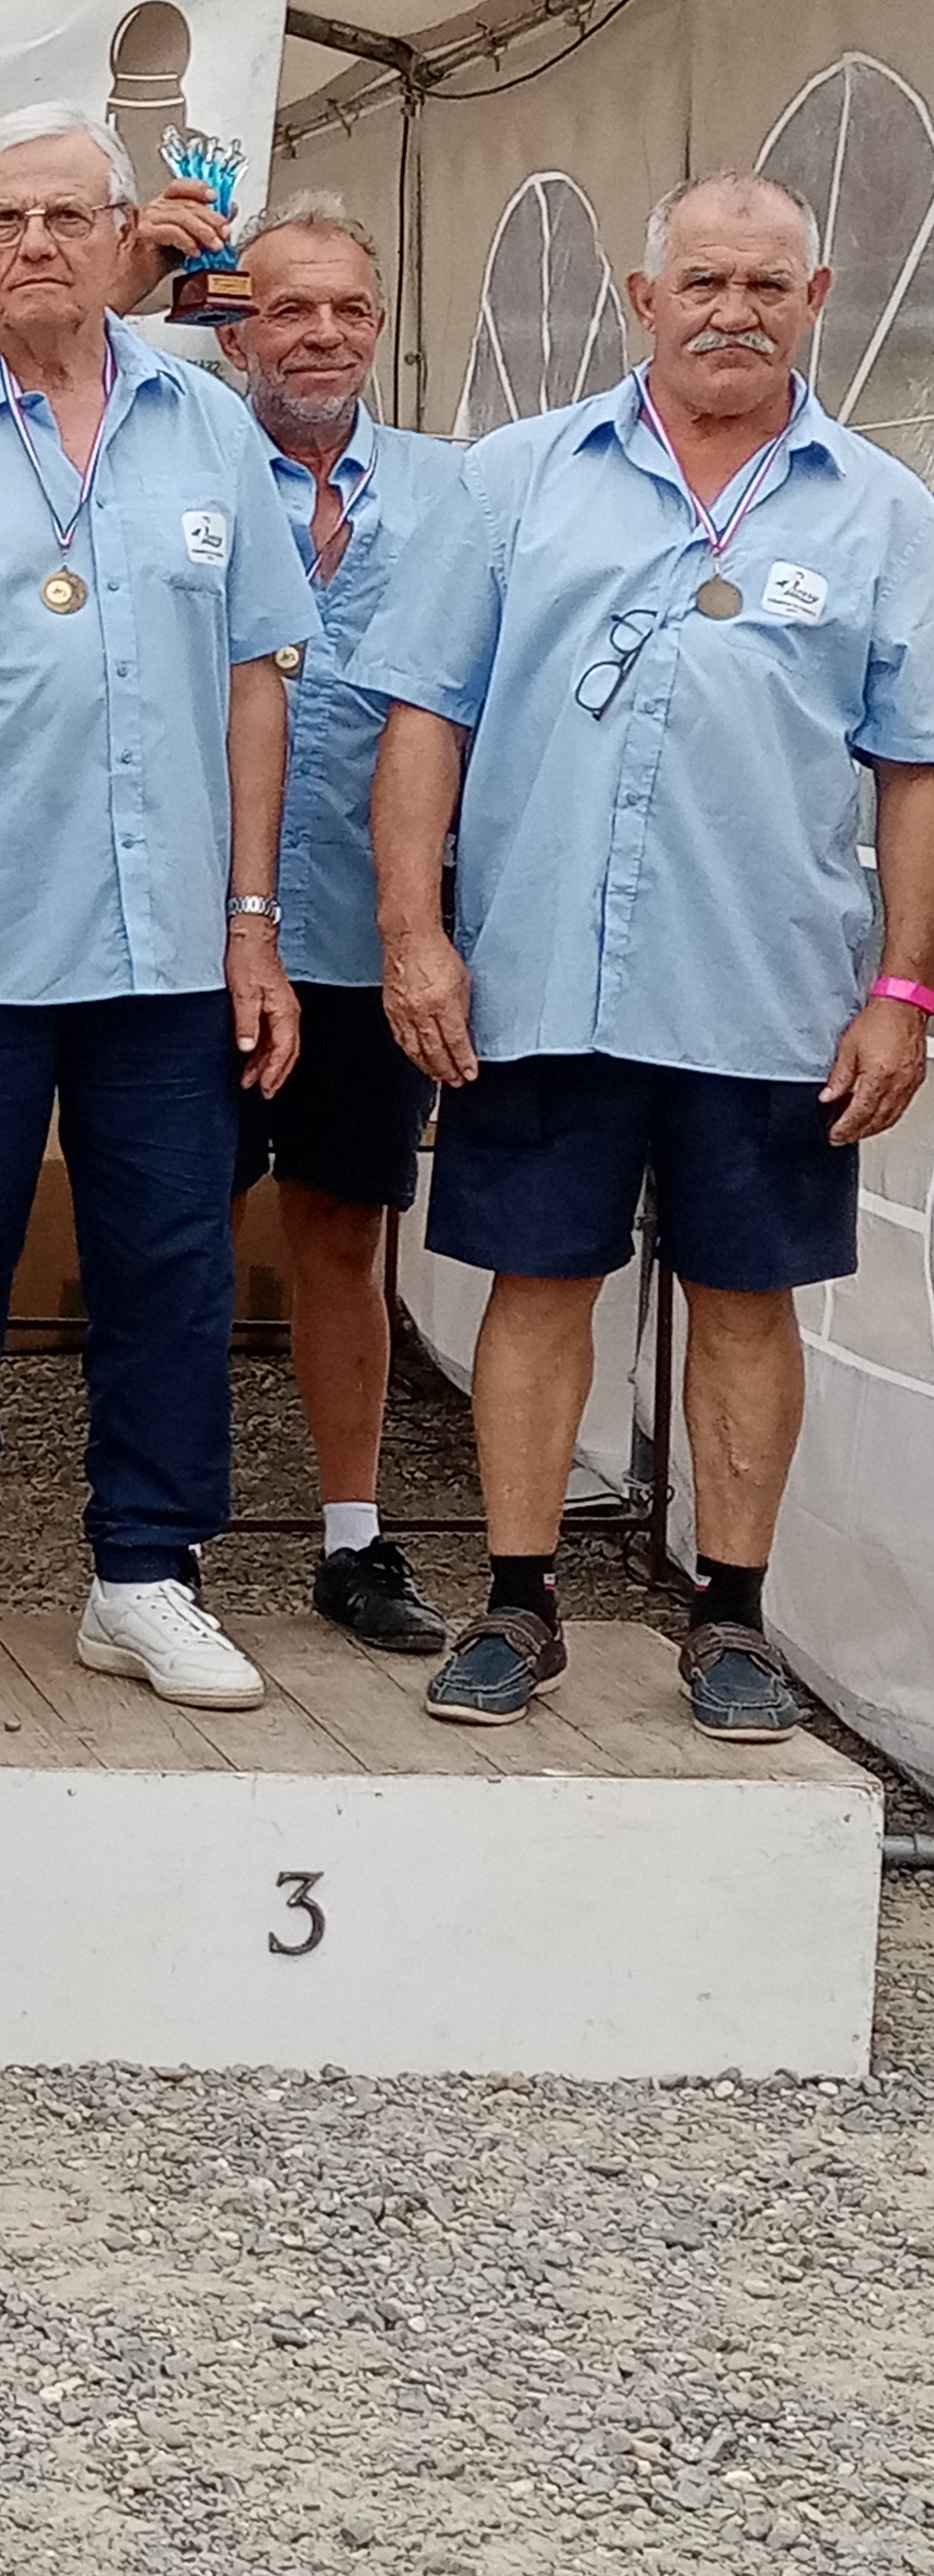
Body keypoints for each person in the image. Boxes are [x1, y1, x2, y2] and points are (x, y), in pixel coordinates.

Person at [366, 171, 933, 1742]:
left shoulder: (887, 513)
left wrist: (902, 991)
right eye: (703, 282)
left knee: (749, 1299)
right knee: (540, 1280)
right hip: (542, 972)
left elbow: (916, 771)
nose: (732, 310)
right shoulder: (517, 480)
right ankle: (521, 1600)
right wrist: (415, 936)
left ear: (814, 302)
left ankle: (734, 1623)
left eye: (765, 284)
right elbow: (425, 715)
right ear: (643, 296)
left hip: (771, 989)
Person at [0, 104, 313, 1716]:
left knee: (168, 1261)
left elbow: (254, 688)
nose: (35, 244)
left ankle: (146, 1577)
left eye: (65, 217)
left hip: (169, 941)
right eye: (4, 221)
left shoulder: (212, 428)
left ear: (122, 238)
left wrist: (252, 920)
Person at [211, 195, 468, 1656]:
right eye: (289, 308)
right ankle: (155, 1539)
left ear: (379, 326)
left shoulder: (455, 493)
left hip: (374, 937)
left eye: (348, 310)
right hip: (200, 931)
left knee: (343, 1233)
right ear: (236, 326)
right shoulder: (172, 461)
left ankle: (355, 1539)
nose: (320, 335)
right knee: (174, 1234)